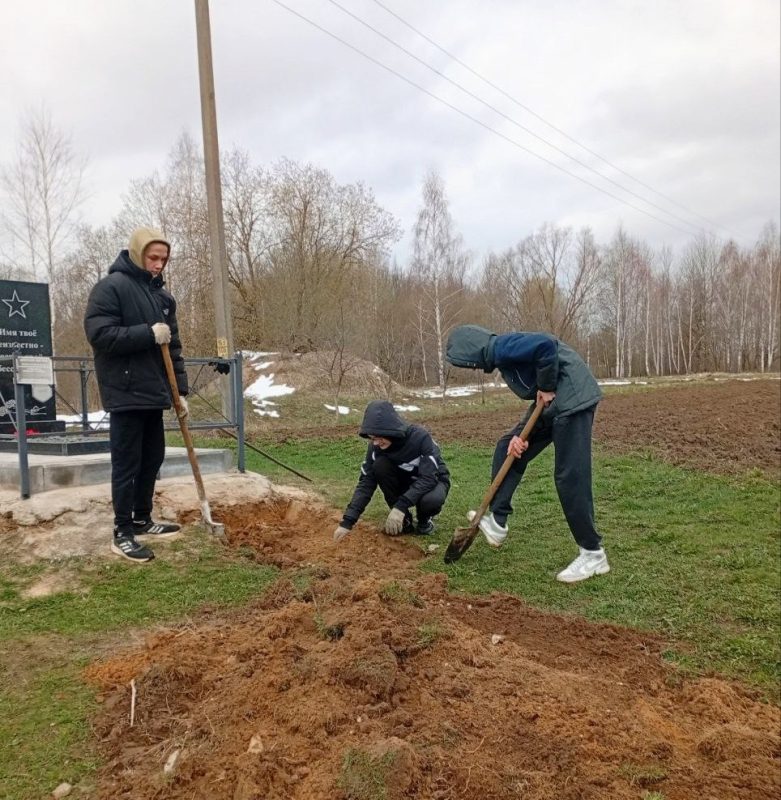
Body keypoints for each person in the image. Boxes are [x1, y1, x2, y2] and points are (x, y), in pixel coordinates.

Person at [446, 324, 609, 583]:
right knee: (507, 446)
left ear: (472, 355)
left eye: (469, 365)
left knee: (570, 476)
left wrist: (544, 385)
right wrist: (521, 436)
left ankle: (593, 554)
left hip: (572, 400)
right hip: (552, 404)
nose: (473, 368)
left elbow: (546, 346)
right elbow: (540, 393)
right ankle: (498, 522)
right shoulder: (502, 355)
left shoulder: (502, 347)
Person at [84, 227, 189, 563]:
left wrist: (180, 393)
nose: (158, 264)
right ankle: (123, 531)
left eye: (163, 259)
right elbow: (100, 335)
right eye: (152, 257)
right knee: (127, 465)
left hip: (154, 392)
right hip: (126, 392)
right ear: (137, 253)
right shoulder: (110, 288)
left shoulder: (162, 297)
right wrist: (147, 333)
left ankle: (143, 519)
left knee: (152, 459)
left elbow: (173, 348)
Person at [333, 400, 451, 542]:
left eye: (378, 437)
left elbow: (429, 478)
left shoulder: (421, 438)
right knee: (379, 466)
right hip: (403, 481)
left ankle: (424, 520)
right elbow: (366, 484)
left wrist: (400, 506)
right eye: (372, 438)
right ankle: (404, 521)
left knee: (431, 501)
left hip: (432, 481)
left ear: (390, 429)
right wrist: (347, 522)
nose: (375, 443)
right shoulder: (375, 448)